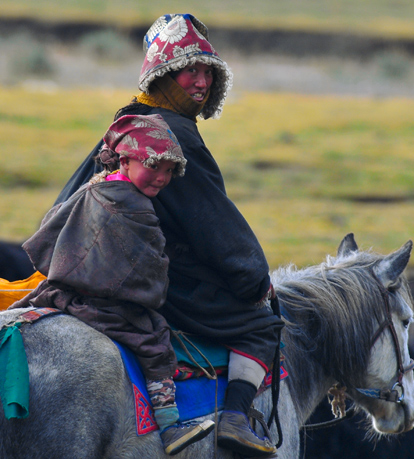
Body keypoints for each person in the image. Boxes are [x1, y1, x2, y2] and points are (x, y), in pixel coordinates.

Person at [54, 13, 285, 457]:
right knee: (262, 325)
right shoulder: (174, 134)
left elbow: (68, 199)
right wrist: (255, 280)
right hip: (153, 280)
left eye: (207, 73)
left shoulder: (127, 121)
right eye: (189, 71)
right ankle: (236, 416)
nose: (200, 83)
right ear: (163, 75)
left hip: (90, 268)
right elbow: (216, 226)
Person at [11, 113, 215, 456]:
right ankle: (170, 425)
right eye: (155, 166)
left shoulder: (92, 188)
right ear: (125, 159)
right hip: (105, 308)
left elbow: (50, 227)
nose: (163, 178)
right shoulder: (138, 208)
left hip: (62, 294)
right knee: (155, 341)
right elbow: (151, 273)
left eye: (169, 170)